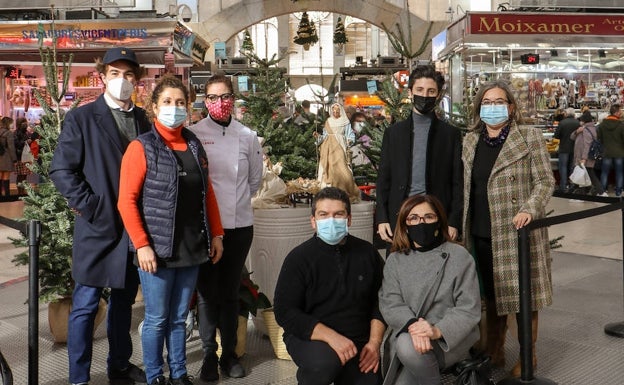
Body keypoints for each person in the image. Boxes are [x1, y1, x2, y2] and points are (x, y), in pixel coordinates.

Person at [50, 47, 152, 385]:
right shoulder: (82, 118)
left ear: (136, 80)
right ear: (102, 77)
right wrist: (91, 206)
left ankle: (119, 365)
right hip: (98, 227)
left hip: (133, 229)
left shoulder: (143, 120)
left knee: (124, 303)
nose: (121, 81)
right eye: (114, 74)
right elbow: (62, 170)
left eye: (128, 75)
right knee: (85, 304)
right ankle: (79, 377)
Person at [118, 74, 225, 385]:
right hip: (156, 248)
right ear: (153, 106)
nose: (174, 108)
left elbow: (209, 193)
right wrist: (141, 244)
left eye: (180, 102)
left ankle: (179, 374)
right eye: (167, 102)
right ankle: (155, 377)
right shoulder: (142, 147)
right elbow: (126, 200)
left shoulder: (193, 145)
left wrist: (216, 234)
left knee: (179, 318)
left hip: (191, 245)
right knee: (156, 318)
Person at [461, 80, 555, 378]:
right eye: (486, 103)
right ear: (479, 108)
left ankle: (529, 356)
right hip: (479, 230)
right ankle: (494, 349)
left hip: (517, 231)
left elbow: (544, 181)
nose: (493, 107)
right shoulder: (470, 141)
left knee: (523, 297)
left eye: (499, 101)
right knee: (491, 295)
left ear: (511, 107)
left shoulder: (528, 136)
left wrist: (529, 208)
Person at [190, 74, 263, 381]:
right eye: (213, 98)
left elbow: (255, 181)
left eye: (225, 97)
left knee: (231, 291)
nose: (220, 103)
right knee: (207, 292)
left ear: (234, 99)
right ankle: (209, 354)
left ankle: (230, 354)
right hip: (207, 226)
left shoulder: (247, 136)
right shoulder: (193, 134)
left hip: (239, 225)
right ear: (205, 101)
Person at [274, 187, 385, 385]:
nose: (331, 220)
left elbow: (382, 301)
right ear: (313, 221)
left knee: (370, 379)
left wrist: (374, 343)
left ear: (349, 220)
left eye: (338, 214)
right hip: (310, 337)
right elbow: (284, 311)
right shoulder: (299, 258)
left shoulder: (367, 253)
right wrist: (331, 337)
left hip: (357, 340)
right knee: (324, 364)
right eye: (323, 215)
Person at [378, 194, 481, 385]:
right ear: (405, 224)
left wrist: (435, 331)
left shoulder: (459, 256)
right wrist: (414, 327)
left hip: (448, 338)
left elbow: (469, 308)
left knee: (406, 346)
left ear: (438, 220)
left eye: (428, 217)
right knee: (407, 344)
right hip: (410, 332)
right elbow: (390, 301)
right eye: (414, 218)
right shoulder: (395, 259)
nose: (421, 223)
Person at [376, 65, 463, 247]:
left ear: (438, 95)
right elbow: (384, 179)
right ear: (410, 92)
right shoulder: (394, 134)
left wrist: (454, 220)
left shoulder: (450, 135)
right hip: (400, 215)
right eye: (420, 90)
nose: (425, 95)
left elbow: (457, 182)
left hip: (437, 216)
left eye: (431, 91)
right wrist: (382, 218)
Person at [314, 102, 361, 202]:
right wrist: (318, 138)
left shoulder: (345, 121)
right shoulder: (328, 121)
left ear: (340, 111)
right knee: (327, 166)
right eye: (334, 110)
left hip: (340, 145)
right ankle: (326, 189)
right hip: (327, 147)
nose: (335, 112)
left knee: (342, 167)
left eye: (337, 110)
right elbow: (325, 135)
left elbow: (350, 135)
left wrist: (349, 140)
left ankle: (343, 187)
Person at [571, 111, 606, 196]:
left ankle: (600, 192)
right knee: (584, 174)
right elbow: (571, 137)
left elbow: (587, 145)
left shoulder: (587, 130)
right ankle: (584, 192)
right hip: (582, 156)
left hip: (584, 157)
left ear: (584, 120)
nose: (580, 121)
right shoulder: (583, 128)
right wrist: (577, 132)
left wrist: (584, 158)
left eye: (581, 120)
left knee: (589, 174)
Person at [598, 103, 624, 196]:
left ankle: (603, 190)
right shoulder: (621, 125)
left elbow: (599, 138)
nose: (621, 113)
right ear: (616, 113)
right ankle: (618, 191)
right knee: (619, 172)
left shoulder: (602, 125)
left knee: (604, 172)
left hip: (606, 152)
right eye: (620, 111)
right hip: (619, 152)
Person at [553, 108, 580, 192]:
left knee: (563, 167)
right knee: (572, 167)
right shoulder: (578, 123)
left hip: (564, 148)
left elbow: (556, 136)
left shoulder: (562, 123)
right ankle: (572, 185)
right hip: (574, 148)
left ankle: (563, 186)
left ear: (566, 114)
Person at [13, 117, 30, 195]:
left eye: (25, 122)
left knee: (25, 175)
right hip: (19, 156)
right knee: (20, 175)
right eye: (23, 123)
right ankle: (19, 192)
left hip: (26, 156)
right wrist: (26, 142)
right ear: (19, 124)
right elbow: (17, 144)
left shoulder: (27, 132)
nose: (25, 124)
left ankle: (23, 191)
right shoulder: (16, 133)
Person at [0, 117, 16, 197]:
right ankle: (7, 195)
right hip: (6, 156)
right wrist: (14, 159)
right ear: (8, 123)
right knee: (6, 176)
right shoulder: (9, 133)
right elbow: (11, 147)